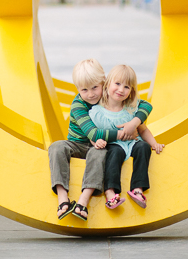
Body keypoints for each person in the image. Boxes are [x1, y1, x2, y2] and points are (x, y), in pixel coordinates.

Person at [48, 59, 153, 221]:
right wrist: (124, 133)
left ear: (104, 82)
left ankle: (84, 200)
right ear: (77, 89)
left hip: (99, 146)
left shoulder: (108, 95)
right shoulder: (79, 105)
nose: (91, 94)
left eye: (95, 88)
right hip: (78, 144)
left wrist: (134, 123)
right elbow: (93, 133)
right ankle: (63, 198)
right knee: (56, 147)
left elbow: (144, 105)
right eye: (84, 90)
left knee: (99, 153)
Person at [89, 65, 164, 210]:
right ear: (107, 84)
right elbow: (92, 133)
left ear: (131, 91)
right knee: (114, 153)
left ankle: (137, 189)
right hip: (114, 145)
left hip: (133, 143)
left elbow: (142, 129)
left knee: (143, 147)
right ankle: (110, 192)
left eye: (126, 87)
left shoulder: (131, 109)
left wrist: (154, 143)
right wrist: (94, 142)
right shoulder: (98, 112)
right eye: (117, 84)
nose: (121, 90)